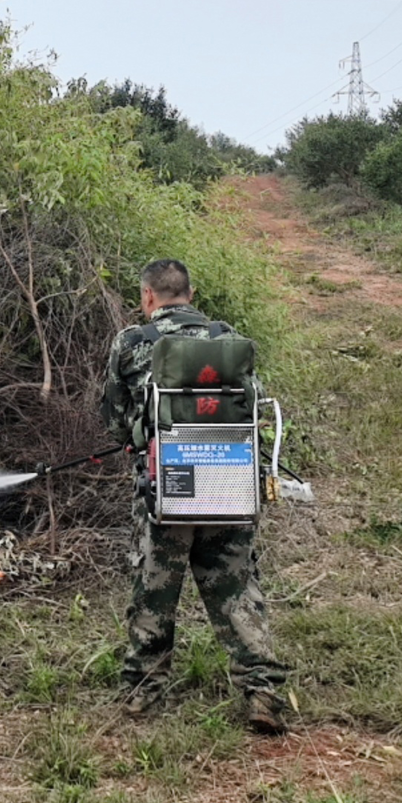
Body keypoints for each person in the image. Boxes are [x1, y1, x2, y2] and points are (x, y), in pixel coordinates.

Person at [101, 258, 291, 734]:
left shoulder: (132, 343)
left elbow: (114, 418)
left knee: (155, 591)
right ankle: (262, 693)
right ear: (191, 293)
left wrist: (137, 435)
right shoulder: (227, 340)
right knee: (236, 589)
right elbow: (254, 399)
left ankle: (144, 690)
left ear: (148, 297)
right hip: (229, 484)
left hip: (168, 490)